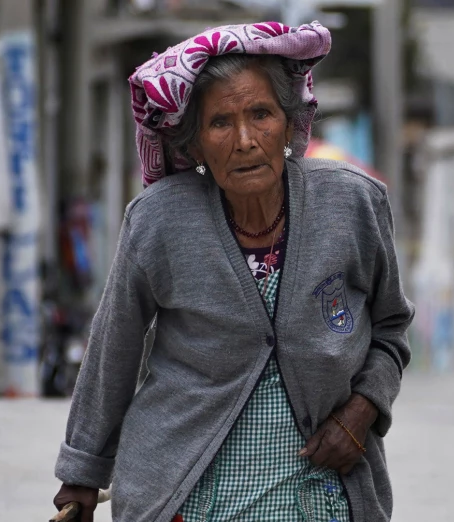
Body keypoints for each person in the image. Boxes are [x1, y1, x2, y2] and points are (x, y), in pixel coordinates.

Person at [52, 21, 414, 522]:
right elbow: (115, 349)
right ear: (194, 146)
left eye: (261, 114)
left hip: (320, 498)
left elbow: (391, 328)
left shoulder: (353, 202)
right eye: (221, 122)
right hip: (183, 495)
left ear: (290, 126)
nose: (245, 140)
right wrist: (82, 474)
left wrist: (361, 412)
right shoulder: (158, 221)